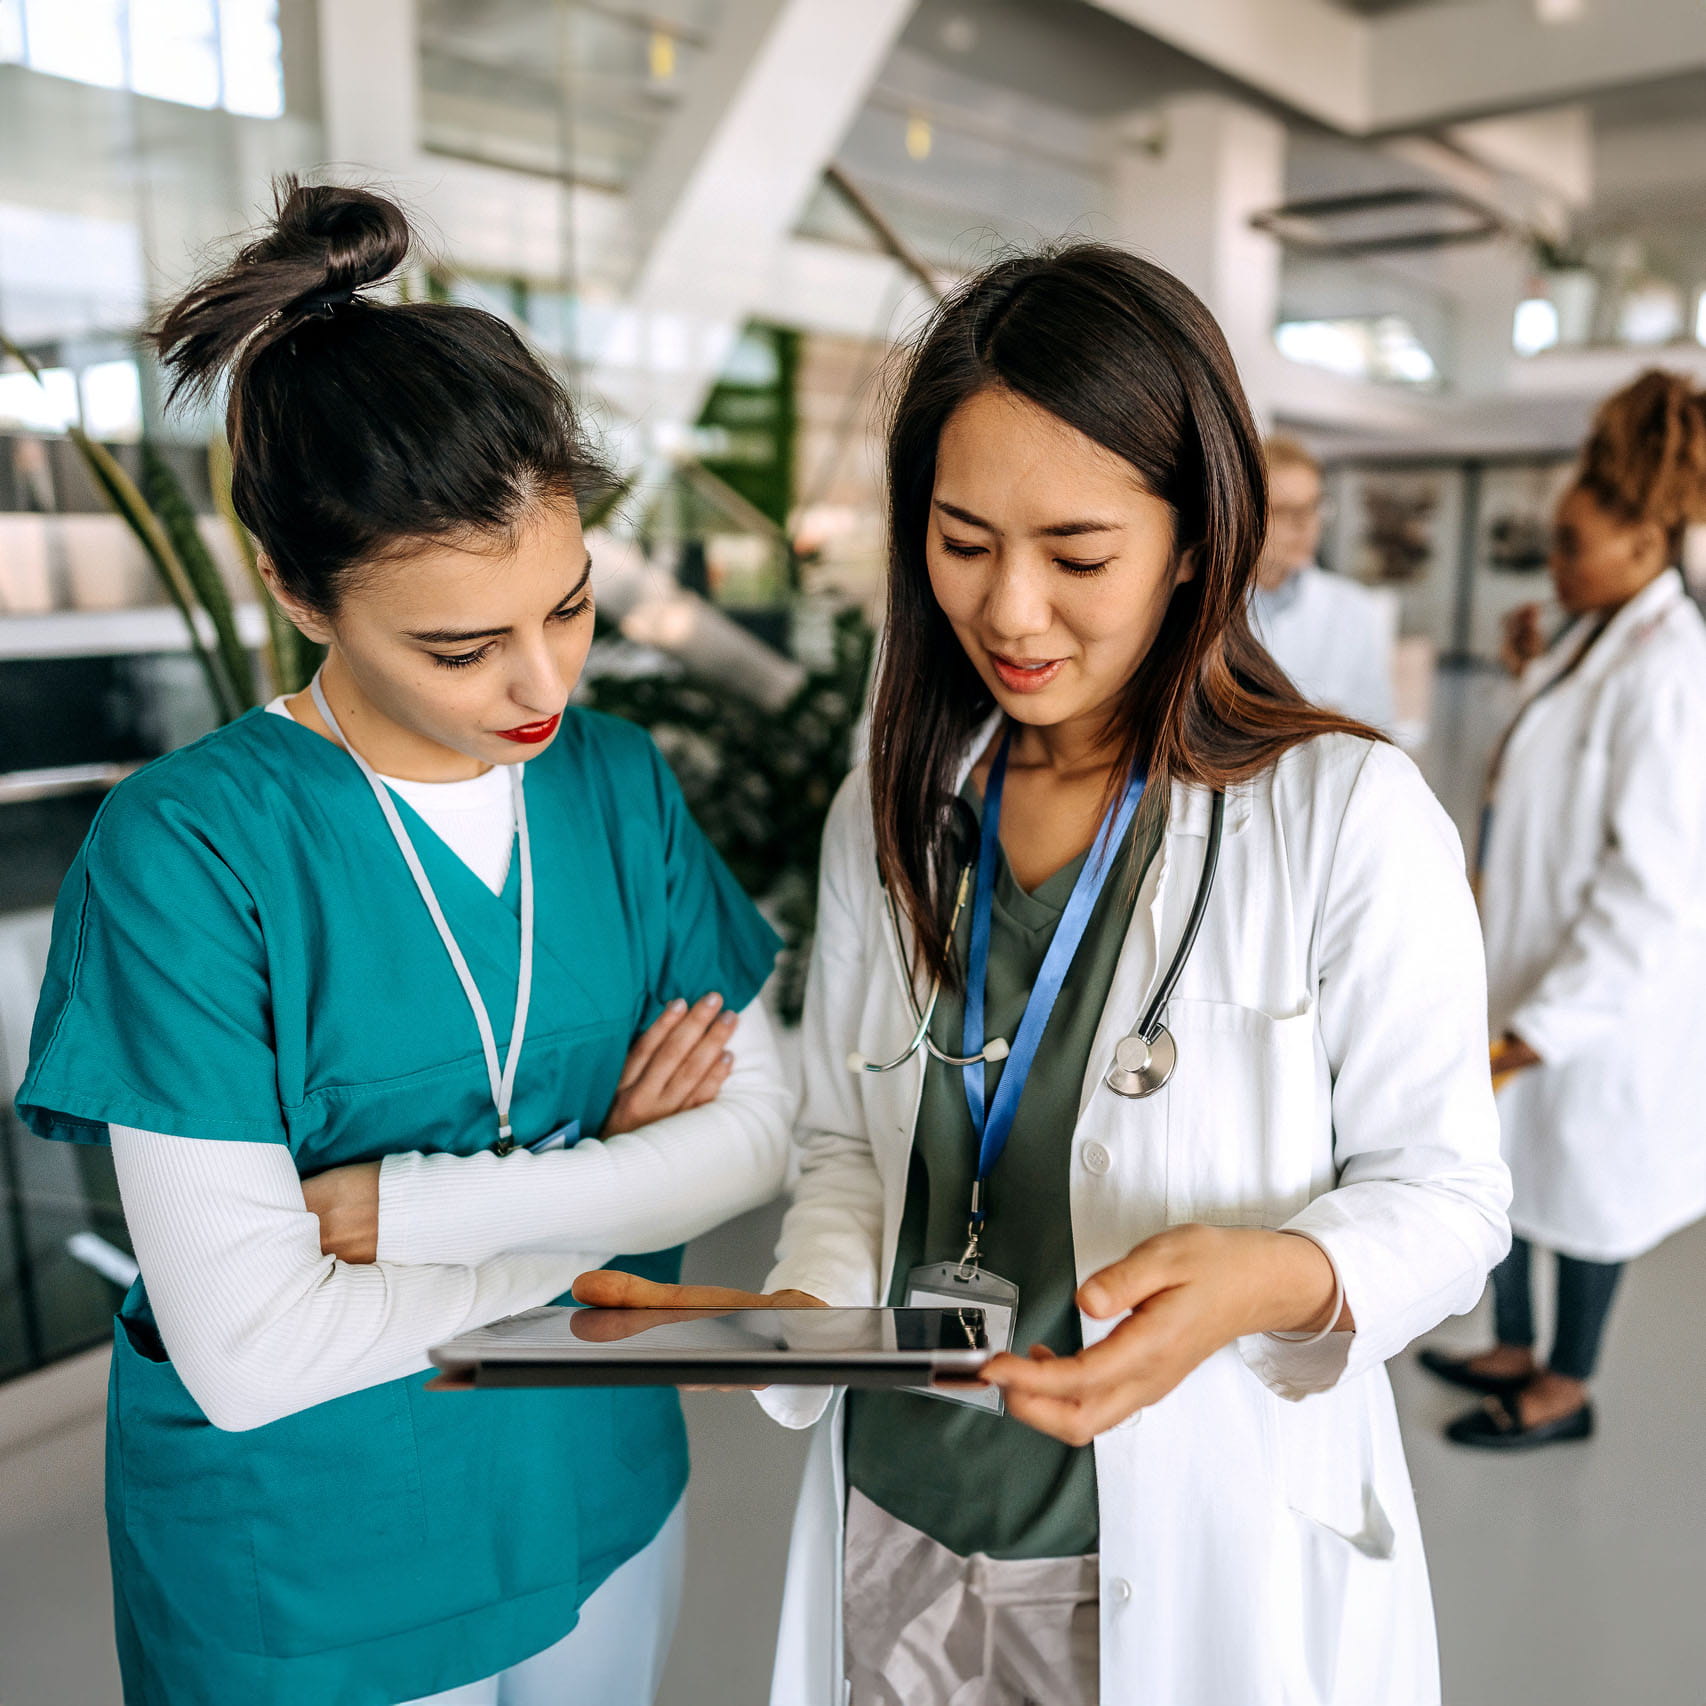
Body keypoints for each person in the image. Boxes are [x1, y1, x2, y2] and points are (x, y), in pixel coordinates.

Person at [575, 244, 1512, 1706]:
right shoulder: (889, 803)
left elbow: (1449, 1199)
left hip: (1185, 1534)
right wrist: (811, 1310)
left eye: (1076, 555)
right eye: (960, 540)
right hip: (899, 1512)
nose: (1010, 611)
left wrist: (1269, 1274)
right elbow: (841, 1144)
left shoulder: (1341, 812)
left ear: (1197, 536)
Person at [15, 180, 794, 1706]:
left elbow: (756, 1136)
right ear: (294, 589)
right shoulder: (189, 850)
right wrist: (611, 1213)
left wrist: (403, 1210)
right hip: (312, 1557)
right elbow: (250, 1352)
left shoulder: (615, 782)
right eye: (459, 645)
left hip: (595, 1483)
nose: (540, 684)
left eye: (566, 608)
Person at [1421, 370, 1706, 1451]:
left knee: (1587, 1190)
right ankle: (1511, 1342)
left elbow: (1656, 889)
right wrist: (1520, 674)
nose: (1554, 562)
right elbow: (1541, 782)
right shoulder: (1595, 635)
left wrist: (1549, 1023)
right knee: (1512, 1166)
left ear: (1643, 545)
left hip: (1598, 1000)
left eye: (1572, 545)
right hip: (1524, 959)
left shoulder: (1667, 670)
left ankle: (1563, 1385)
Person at [1250, 434, 1396, 730]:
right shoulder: (1202, 607)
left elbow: (1378, 728)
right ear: (1247, 513)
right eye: (1286, 511)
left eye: (1314, 507)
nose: (1306, 526)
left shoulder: (1355, 610)